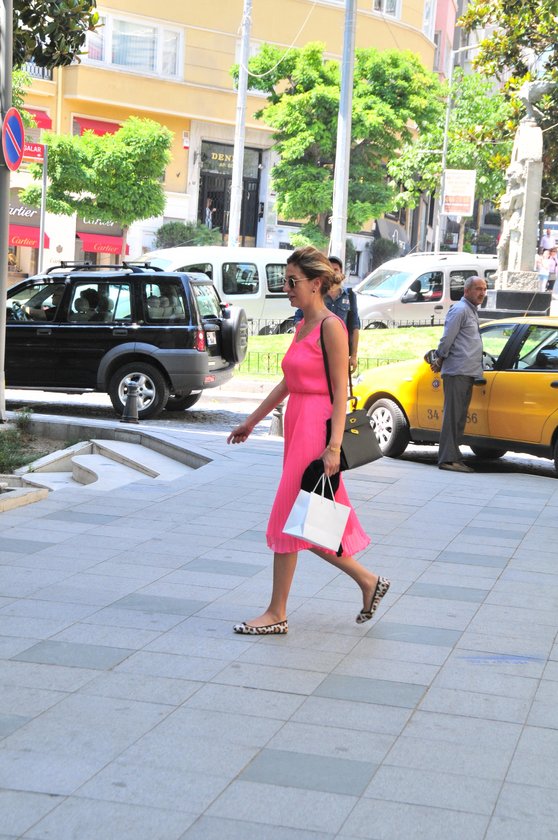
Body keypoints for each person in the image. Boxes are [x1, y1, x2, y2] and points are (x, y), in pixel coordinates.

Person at [227, 246, 389, 635]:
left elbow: (340, 392)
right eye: (285, 281)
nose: (286, 288)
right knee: (307, 520)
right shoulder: (302, 325)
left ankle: (277, 613)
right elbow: (288, 381)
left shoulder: (332, 327)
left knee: (294, 518)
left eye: (291, 281)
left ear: (315, 284)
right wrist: (251, 421)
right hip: (297, 424)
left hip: (316, 429)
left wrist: (333, 448)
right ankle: (368, 582)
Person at [428, 275, 487, 473]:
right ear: (466, 291)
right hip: (457, 371)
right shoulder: (460, 310)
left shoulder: (471, 310)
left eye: (484, 289)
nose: (482, 293)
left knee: (459, 418)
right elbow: (447, 339)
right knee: (453, 418)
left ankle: (453, 457)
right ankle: (447, 459)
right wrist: (439, 358)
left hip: (467, 371)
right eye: (478, 289)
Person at [293, 256, 360, 373]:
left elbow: (354, 327)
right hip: (316, 353)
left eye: (336, 269)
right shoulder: (315, 293)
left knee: (337, 382)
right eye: (329, 269)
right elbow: (298, 318)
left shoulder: (349, 295)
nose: (333, 273)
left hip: (340, 352)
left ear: (341, 273)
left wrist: (353, 356)